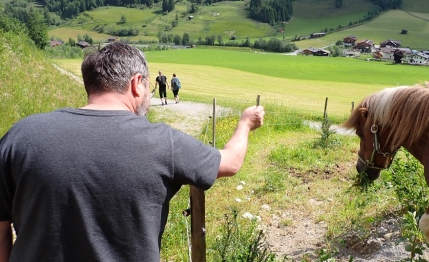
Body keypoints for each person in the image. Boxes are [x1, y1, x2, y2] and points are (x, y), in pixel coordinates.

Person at [0, 42, 265, 262]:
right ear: (137, 83)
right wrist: (245, 123)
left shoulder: (21, 135)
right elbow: (230, 162)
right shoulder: (162, 141)